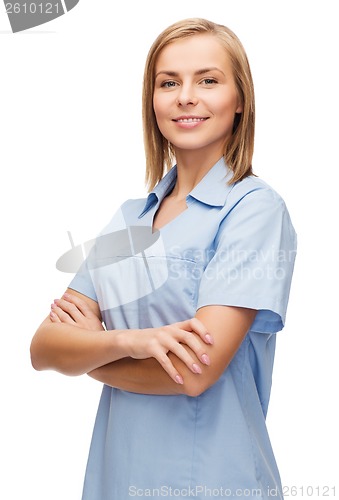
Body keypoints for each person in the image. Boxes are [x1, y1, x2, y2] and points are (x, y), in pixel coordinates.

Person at [30, 18, 297, 500]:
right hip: (115, 480)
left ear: (240, 102)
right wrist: (138, 342)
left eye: (208, 80)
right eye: (168, 82)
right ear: (152, 101)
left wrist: (93, 355)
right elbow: (44, 348)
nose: (185, 97)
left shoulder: (254, 210)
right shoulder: (129, 221)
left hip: (213, 481)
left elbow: (195, 372)